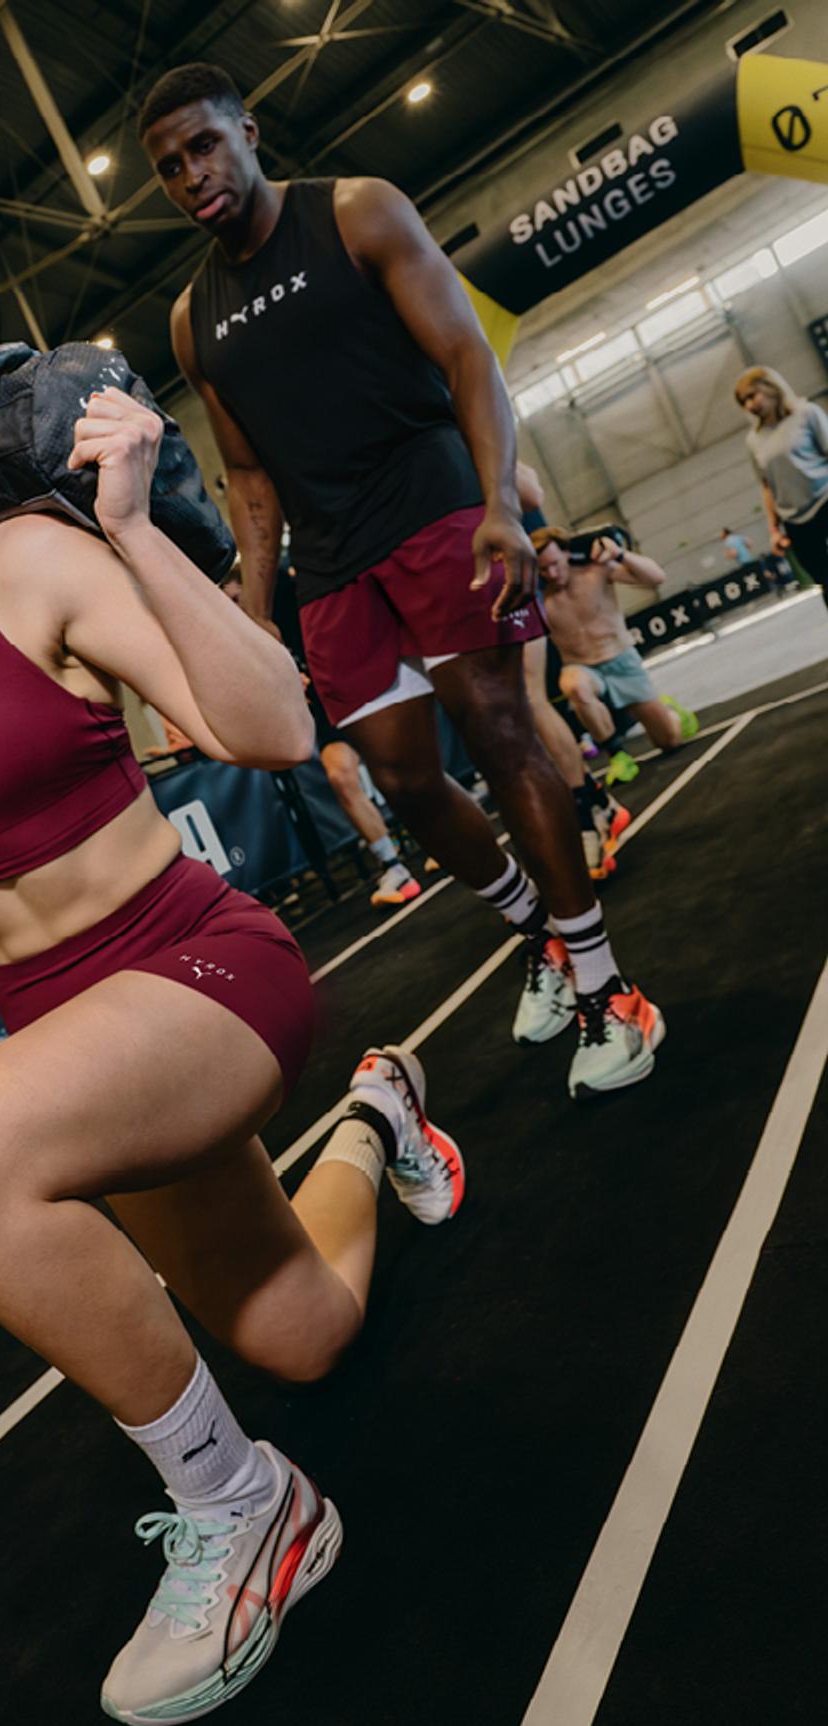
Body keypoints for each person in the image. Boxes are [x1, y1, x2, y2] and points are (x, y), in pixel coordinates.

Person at [0, 330, 468, 1726]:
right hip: (75, 1042)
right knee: (303, 1336)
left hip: (196, 971)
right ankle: (378, 1114)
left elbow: (279, 730)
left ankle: (248, 1509)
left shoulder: (24, 566)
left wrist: (129, 530)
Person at [141, 62, 662, 1098]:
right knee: (404, 779)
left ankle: (609, 987)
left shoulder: (355, 211)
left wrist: (502, 506)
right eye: (168, 166)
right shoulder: (192, 320)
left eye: (203, 145)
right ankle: (537, 936)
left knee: (499, 735)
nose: (191, 173)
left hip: (433, 507)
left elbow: (468, 355)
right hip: (330, 562)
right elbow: (246, 475)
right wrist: (251, 619)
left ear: (248, 132)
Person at [270, 562, 421, 906]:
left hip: (363, 683)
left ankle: (442, 837)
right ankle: (393, 866)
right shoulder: (244, 630)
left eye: (237, 600)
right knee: (340, 776)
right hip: (326, 707)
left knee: (402, 766)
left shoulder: (288, 589)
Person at [516, 466, 628, 878]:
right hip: (472, 583)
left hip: (513, 569)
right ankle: (597, 802)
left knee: (532, 699)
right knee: (510, 714)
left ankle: (586, 814)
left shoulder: (466, 422)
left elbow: (530, 492)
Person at [530, 528, 698, 767]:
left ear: (566, 552)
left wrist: (621, 554)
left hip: (621, 661)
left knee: (669, 741)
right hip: (583, 668)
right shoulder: (537, 597)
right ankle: (618, 756)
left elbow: (656, 578)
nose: (552, 573)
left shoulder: (595, 570)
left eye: (555, 563)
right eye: (543, 569)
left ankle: (671, 714)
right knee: (573, 686)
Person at [735, 366, 828, 587]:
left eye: (752, 396)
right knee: (823, 580)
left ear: (771, 388)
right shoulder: (753, 440)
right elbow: (767, 486)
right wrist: (774, 530)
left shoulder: (807, 413)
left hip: (825, 499)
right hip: (796, 520)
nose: (749, 405)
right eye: (743, 402)